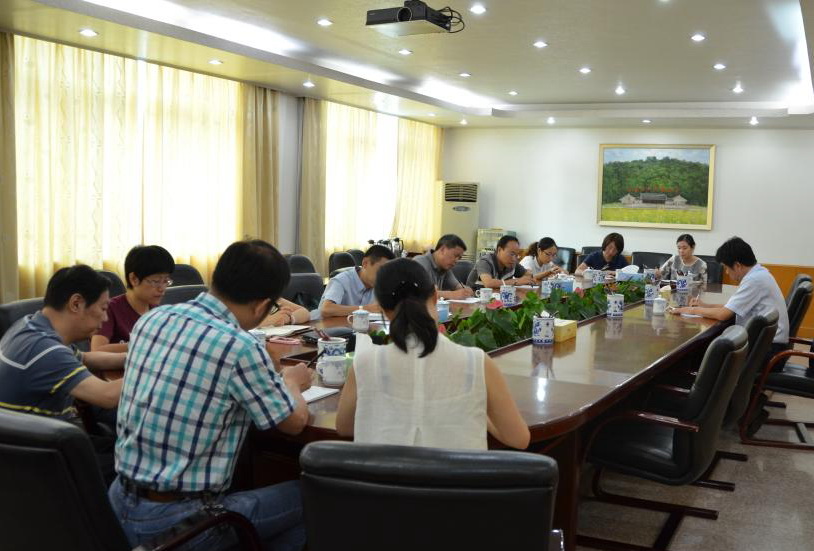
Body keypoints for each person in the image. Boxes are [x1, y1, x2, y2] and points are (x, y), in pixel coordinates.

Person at [109, 240, 312, 551]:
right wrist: (292, 382)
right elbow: (293, 422)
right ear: (261, 306)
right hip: (184, 523)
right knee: (314, 496)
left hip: (117, 503)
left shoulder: (152, 319)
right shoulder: (240, 346)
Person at [336, 258, 530, 450]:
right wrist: (478, 412)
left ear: (382, 309)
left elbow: (344, 427)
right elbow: (519, 439)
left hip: (385, 471)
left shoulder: (364, 363)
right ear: (436, 297)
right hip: (457, 472)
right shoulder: (477, 362)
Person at [0, 265, 125, 420]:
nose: (105, 318)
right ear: (76, 304)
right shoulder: (46, 350)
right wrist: (151, 369)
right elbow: (107, 396)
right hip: (44, 434)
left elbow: (86, 358)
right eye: (103, 308)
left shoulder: (28, 325)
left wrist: (131, 358)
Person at [670, 236, 789, 370]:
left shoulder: (754, 280)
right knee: (705, 349)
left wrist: (688, 310)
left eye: (727, 267)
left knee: (702, 352)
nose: (726, 272)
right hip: (767, 345)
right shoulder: (758, 274)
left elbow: (723, 314)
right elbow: (731, 307)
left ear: (737, 265)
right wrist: (705, 306)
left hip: (768, 352)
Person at [91, 245, 175, 352]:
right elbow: (97, 349)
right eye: (156, 281)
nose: (162, 288)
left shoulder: (158, 312)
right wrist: (146, 344)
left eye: (166, 281)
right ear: (134, 279)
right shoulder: (109, 309)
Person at [319, 244, 396, 317]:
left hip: (358, 325)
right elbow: (326, 309)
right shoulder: (341, 280)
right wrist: (366, 309)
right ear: (365, 263)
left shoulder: (380, 284)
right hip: (326, 325)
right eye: (382, 270)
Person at [413, 234, 474, 300]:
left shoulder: (445, 268)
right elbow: (418, 292)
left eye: (459, 258)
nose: (457, 261)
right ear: (442, 249)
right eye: (455, 255)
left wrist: (466, 290)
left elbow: (457, 286)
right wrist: (452, 294)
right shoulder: (420, 262)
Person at [465, 235, 534, 289]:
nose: (514, 259)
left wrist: (527, 278)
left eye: (516, 255)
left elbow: (528, 274)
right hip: (475, 297)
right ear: (499, 250)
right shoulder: (485, 262)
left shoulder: (512, 263)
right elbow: (488, 283)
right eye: (512, 254)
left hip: (497, 297)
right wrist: (516, 281)